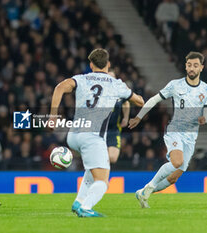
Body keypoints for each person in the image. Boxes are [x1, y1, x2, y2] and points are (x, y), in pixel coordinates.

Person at [49, 48, 144, 217]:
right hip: (92, 137)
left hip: (73, 136)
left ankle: (78, 202)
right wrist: (129, 96)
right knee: (103, 181)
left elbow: (59, 88)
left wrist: (53, 116)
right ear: (108, 64)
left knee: (91, 170)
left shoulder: (81, 79)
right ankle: (85, 208)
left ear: (91, 64)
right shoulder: (116, 84)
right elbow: (139, 101)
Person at [129, 51, 207, 208]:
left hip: (191, 136)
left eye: (195, 65)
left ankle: (142, 192)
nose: (192, 68)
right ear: (185, 65)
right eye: (189, 65)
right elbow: (155, 99)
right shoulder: (175, 85)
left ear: (201, 67)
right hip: (175, 129)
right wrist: (139, 117)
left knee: (174, 177)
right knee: (177, 161)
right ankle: (148, 188)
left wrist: (204, 119)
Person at [107, 69, 130, 163]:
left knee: (112, 158)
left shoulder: (119, 93)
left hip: (113, 130)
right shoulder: (98, 92)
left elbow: (126, 103)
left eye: (113, 78)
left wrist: (126, 117)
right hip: (99, 131)